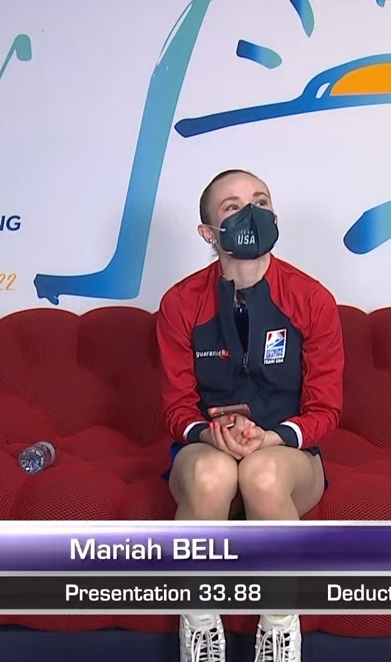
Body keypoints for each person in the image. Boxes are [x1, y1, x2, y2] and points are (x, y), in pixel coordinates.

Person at [156, 169, 345, 662]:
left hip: (285, 460)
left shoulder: (312, 299)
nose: (251, 214)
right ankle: (199, 627)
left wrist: (273, 438)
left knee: (261, 473)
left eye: (260, 202)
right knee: (212, 473)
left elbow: (325, 410)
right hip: (207, 455)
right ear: (209, 233)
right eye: (233, 207)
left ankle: (279, 631)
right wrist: (210, 435)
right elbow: (177, 408)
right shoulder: (179, 304)